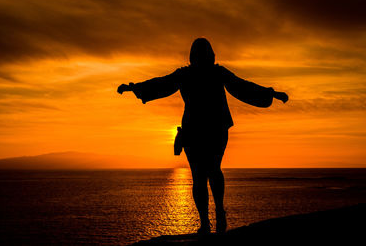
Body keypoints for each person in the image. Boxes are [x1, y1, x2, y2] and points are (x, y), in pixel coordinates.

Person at [117, 38, 288, 234]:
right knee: (207, 172)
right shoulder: (194, 74)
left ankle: (213, 218)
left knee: (205, 173)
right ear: (211, 55)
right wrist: (135, 88)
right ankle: (209, 221)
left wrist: (270, 94)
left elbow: (242, 86)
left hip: (207, 128)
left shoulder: (210, 73)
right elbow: (162, 84)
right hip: (201, 129)